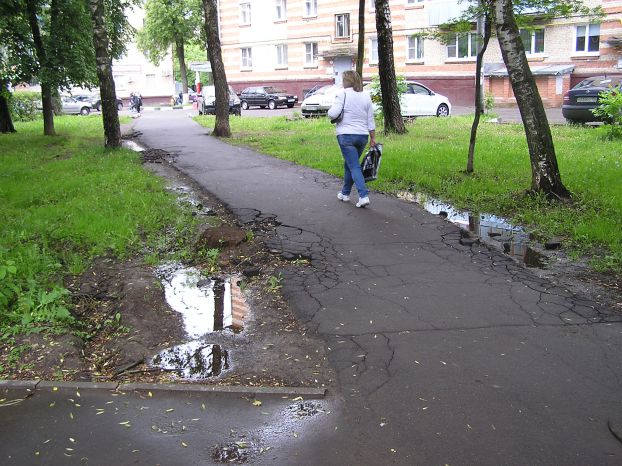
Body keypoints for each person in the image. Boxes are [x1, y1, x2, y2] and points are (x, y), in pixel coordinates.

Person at [327, 70, 376, 208]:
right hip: (362, 137)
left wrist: (329, 112)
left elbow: (333, 113)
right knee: (350, 163)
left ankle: (363, 195)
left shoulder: (342, 94)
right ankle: (345, 193)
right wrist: (373, 138)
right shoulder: (366, 96)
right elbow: (370, 119)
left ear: (346, 81)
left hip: (346, 136)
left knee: (353, 165)